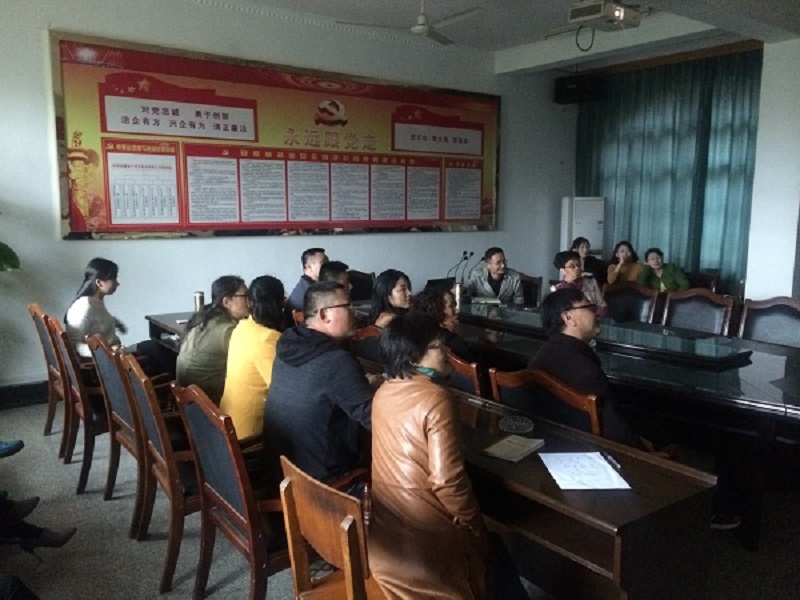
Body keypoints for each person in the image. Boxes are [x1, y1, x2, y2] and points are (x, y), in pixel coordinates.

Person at [369, 312, 528, 599]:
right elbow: (447, 482)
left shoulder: (384, 391)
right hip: (426, 550)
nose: (447, 351)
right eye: (437, 346)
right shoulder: (435, 398)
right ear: (413, 358)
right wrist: (474, 524)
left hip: (387, 537)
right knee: (493, 542)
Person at [262, 281, 373, 493]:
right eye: (348, 306)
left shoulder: (288, 345)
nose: (355, 313)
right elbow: (376, 420)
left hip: (280, 475)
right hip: (322, 487)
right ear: (324, 314)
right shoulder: (336, 361)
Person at [528, 288, 636, 445]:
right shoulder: (587, 372)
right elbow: (619, 435)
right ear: (568, 318)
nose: (597, 313)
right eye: (590, 307)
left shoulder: (544, 354)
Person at [64, 257, 176, 375]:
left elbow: (96, 320)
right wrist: (107, 351)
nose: (117, 283)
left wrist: (115, 322)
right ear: (99, 282)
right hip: (110, 362)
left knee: (159, 348)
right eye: (113, 279)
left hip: (115, 355)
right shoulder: (85, 306)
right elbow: (75, 345)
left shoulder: (94, 302)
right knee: (160, 350)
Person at [219, 276, 284, 440]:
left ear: (249, 302)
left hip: (227, 425)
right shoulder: (268, 338)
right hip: (249, 435)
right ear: (281, 304)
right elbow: (282, 390)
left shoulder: (242, 327)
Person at [176, 276, 250, 404]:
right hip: (209, 406)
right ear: (227, 302)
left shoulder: (204, 318)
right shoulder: (227, 330)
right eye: (245, 296)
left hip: (190, 405)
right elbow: (250, 363)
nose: (250, 301)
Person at [410, 287, 474, 361]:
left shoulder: (414, 338)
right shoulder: (452, 342)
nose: (456, 311)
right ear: (437, 311)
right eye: (451, 306)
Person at [553, 250, 607, 316]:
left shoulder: (592, 283)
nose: (577, 268)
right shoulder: (558, 290)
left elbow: (602, 305)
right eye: (572, 266)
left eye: (578, 265)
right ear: (562, 271)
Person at [285, 247, 328, 316]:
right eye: (323, 263)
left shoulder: (304, 285)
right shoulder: (312, 292)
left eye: (328, 262)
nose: (328, 266)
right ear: (309, 267)